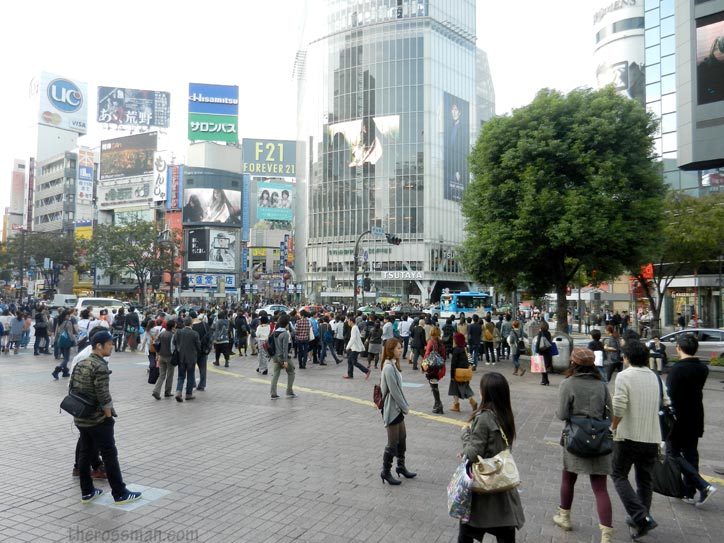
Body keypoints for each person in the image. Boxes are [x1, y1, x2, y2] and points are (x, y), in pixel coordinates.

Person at [71, 330, 142, 505]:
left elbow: (72, 388)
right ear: (99, 346)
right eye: (109, 344)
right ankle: (119, 493)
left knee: (85, 453)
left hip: (81, 417)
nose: (112, 347)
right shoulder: (100, 366)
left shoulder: (82, 363)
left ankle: (87, 492)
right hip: (98, 420)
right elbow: (103, 395)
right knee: (109, 454)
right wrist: (108, 417)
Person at [553, 348, 614, 543]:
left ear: (574, 363)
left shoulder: (568, 384)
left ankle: (564, 518)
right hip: (599, 438)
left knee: (568, 478)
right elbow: (610, 414)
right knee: (600, 488)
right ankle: (606, 535)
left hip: (575, 437)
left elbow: (562, 414)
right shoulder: (601, 385)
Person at [459, 372, 525, 542]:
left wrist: (465, 435)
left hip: (483, 487)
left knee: (466, 531)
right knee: (505, 532)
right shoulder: (505, 415)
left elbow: (473, 453)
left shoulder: (484, 418)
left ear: (486, 393)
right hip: (502, 483)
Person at [611, 339, 664, 539]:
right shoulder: (655, 377)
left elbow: (619, 406)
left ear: (627, 357)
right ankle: (642, 521)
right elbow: (665, 402)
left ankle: (640, 515)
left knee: (618, 475)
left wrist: (613, 426)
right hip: (652, 437)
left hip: (628, 436)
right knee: (645, 480)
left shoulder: (624, 376)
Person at [666, 333, 716, 506]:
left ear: (679, 348)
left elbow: (669, 394)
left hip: (677, 416)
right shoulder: (703, 368)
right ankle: (689, 491)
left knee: (672, 453)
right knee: (691, 452)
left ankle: (702, 485)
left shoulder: (677, 369)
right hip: (695, 414)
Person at [379, 338, 415, 485]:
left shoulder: (393, 364)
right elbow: (394, 391)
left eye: (401, 347)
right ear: (390, 349)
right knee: (392, 442)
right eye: (398, 348)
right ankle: (385, 471)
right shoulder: (388, 367)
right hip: (391, 409)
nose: (400, 350)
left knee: (402, 438)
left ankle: (401, 466)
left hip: (397, 408)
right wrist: (405, 407)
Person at [448, 333, 477, 412]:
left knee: (460, 388)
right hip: (465, 372)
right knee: (460, 388)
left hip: (457, 372)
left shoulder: (456, 350)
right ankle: (456, 405)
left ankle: (472, 402)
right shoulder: (465, 348)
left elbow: (453, 364)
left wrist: (452, 375)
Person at [269, 314, 296, 399]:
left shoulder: (274, 332)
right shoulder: (285, 334)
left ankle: (273, 393)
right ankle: (289, 391)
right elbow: (285, 349)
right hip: (283, 357)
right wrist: (285, 361)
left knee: (276, 373)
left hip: (275, 356)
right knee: (291, 371)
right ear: (287, 324)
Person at [174, 317, 201, 402]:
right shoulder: (195, 333)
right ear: (191, 324)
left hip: (181, 357)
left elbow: (174, 342)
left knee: (181, 376)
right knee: (190, 376)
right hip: (191, 358)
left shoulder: (178, 332)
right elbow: (198, 346)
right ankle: (188, 394)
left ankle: (178, 391)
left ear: (184, 324)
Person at [422, 326, 446, 414]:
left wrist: (423, 366)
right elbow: (444, 356)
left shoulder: (431, 342)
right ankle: (437, 405)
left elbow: (426, 355)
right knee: (434, 386)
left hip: (432, 368)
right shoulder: (441, 343)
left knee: (434, 386)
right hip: (439, 368)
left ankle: (438, 404)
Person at [152, 320, 176, 399]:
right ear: (172, 327)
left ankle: (156, 391)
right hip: (169, 357)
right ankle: (167, 392)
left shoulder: (162, 334)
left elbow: (157, 344)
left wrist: (157, 354)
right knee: (170, 375)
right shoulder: (172, 335)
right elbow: (174, 347)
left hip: (161, 356)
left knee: (161, 375)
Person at [343, 314, 371, 380]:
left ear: (351, 321)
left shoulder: (354, 328)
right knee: (350, 361)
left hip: (355, 348)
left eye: (348, 321)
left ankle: (366, 371)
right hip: (354, 347)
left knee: (354, 362)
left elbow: (353, 338)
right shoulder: (355, 327)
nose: (348, 323)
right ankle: (350, 374)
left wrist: (347, 347)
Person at [53, 310, 78, 379]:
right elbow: (70, 333)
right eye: (68, 316)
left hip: (60, 341)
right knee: (66, 358)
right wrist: (73, 341)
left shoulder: (59, 322)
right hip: (66, 341)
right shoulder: (68, 322)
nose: (69, 317)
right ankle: (57, 370)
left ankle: (65, 372)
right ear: (66, 316)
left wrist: (55, 341)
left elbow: (57, 332)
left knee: (65, 357)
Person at [190, 311, 210, 391]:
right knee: (203, 368)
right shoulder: (204, 324)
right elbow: (209, 335)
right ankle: (202, 385)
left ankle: (192, 383)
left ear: (191, 318)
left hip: (193, 350)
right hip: (203, 349)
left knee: (191, 367)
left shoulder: (191, 326)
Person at [534, 321, 554, 385]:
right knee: (545, 366)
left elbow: (538, 342)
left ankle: (545, 380)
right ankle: (545, 380)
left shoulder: (540, 333)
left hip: (541, 351)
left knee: (542, 367)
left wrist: (536, 351)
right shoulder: (548, 333)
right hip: (547, 351)